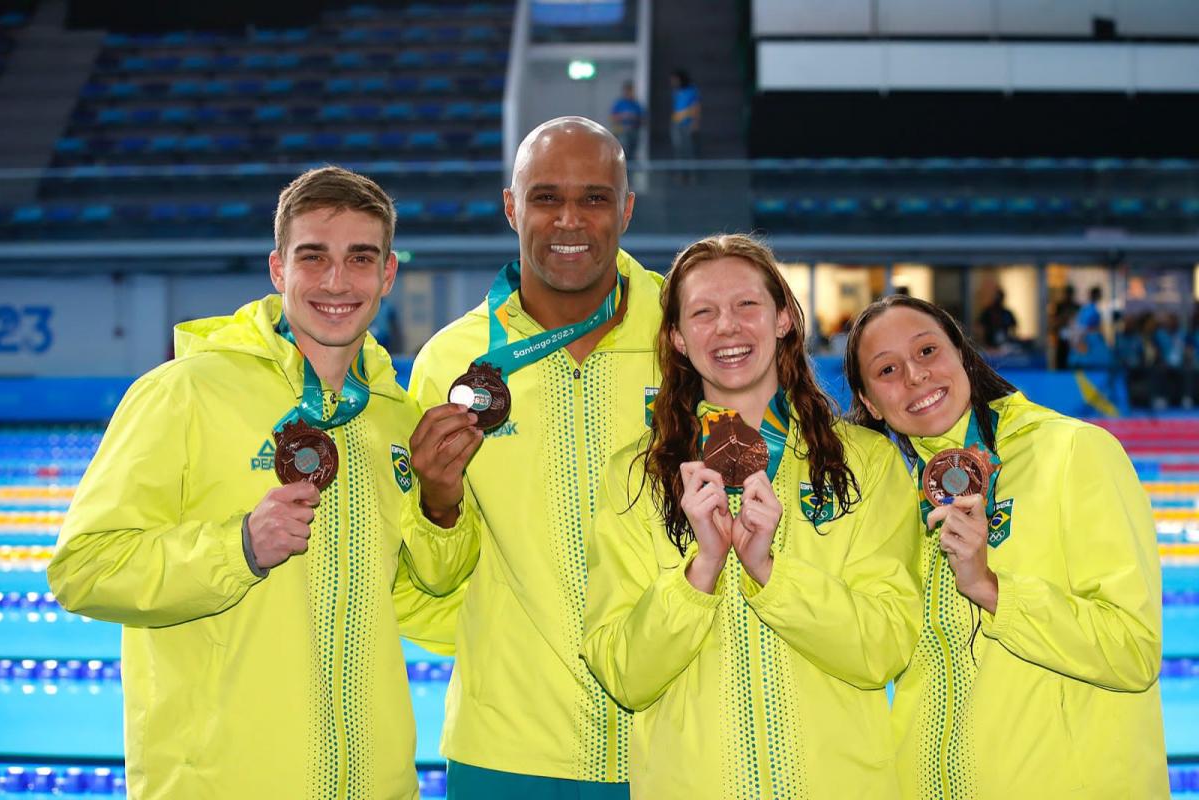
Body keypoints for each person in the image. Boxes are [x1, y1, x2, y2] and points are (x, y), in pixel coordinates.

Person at [47, 166, 479, 800]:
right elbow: (82, 570)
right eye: (314, 257)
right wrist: (239, 548)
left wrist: (442, 512)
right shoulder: (183, 394)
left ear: (388, 275)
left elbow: (422, 606)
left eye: (361, 258)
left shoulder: (394, 420)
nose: (337, 281)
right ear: (278, 270)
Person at [582, 234, 922, 799]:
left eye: (747, 305)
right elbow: (624, 675)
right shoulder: (635, 475)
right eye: (703, 312)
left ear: (784, 318)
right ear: (678, 338)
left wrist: (770, 572)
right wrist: (702, 572)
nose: (728, 327)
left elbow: (883, 650)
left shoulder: (867, 464)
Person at [404, 116, 662, 797]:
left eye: (594, 198)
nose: (569, 219)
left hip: (676, 736)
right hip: (506, 749)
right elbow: (429, 578)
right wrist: (436, 501)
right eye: (546, 197)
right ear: (512, 206)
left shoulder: (688, 336)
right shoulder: (449, 364)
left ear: (626, 209)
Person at [843, 294, 1167, 799]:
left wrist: (992, 589)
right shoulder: (886, 499)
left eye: (927, 352)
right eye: (887, 369)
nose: (914, 376)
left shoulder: (1074, 453)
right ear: (868, 403)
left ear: (962, 356)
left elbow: (1133, 652)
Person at [668, 69, 700, 161]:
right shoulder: (675, 92)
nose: (672, 82)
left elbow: (696, 107)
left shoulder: (692, 90)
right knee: (678, 149)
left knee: (689, 149)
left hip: (687, 124)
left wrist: (695, 122)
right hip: (676, 123)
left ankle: (691, 174)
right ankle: (680, 174)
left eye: (674, 79)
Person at [609, 79, 643, 160]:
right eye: (627, 91)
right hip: (621, 132)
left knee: (632, 152)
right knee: (623, 151)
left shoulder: (636, 104)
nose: (629, 93)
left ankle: (631, 170)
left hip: (633, 131)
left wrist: (633, 117)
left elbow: (643, 119)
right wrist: (623, 116)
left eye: (631, 91)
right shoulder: (619, 103)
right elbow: (613, 117)